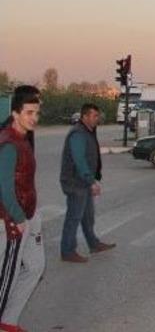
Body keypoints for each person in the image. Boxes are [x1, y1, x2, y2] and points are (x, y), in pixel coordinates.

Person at [0, 86, 44, 332]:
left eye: (36, 113)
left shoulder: (22, 138)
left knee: (35, 267)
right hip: (11, 220)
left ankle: (8, 320)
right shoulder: (9, 143)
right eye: (28, 112)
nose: (34, 118)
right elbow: (4, 187)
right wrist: (18, 218)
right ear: (15, 113)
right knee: (7, 277)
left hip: (25, 215)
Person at [59, 103, 116, 263]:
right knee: (74, 217)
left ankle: (93, 243)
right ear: (84, 116)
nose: (97, 119)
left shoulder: (88, 131)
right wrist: (91, 181)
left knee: (87, 216)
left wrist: (92, 178)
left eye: (98, 116)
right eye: (94, 116)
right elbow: (79, 160)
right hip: (75, 183)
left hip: (83, 182)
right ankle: (67, 251)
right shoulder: (78, 133)